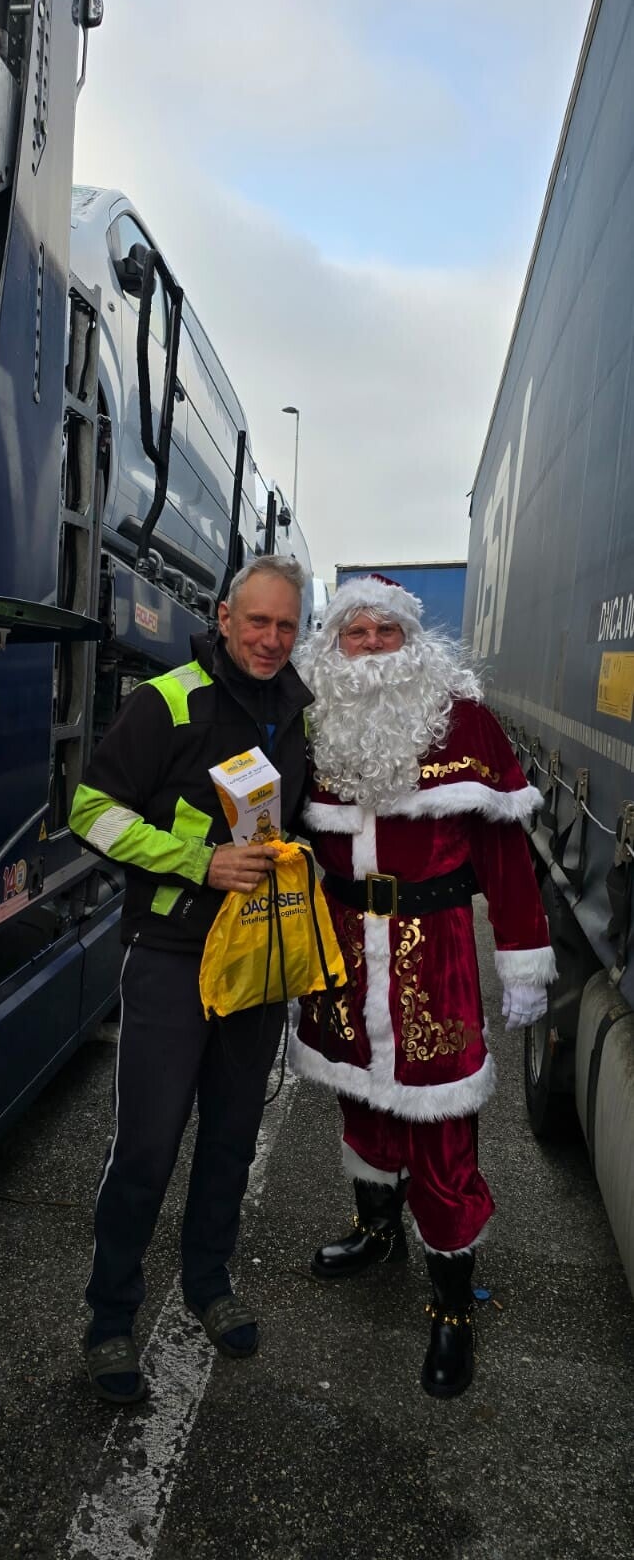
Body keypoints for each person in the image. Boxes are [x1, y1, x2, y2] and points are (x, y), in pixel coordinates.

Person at [290, 574, 554, 1398]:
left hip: (431, 953)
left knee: (440, 1130)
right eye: (355, 632)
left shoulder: (463, 719)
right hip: (342, 949)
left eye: (386, 632)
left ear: (412, 641)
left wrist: (523, 955)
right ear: (334, 644)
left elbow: (505, 857)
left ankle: (450, 1305)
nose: (370, 645)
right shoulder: (312, 718)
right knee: (360, 1103)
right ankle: (376, 1233)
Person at [69, 555, 311, 1403]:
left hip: (256, 958)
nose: (271, 640)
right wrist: (198, 861)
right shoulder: (168, 699)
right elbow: (90, 811)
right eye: (258, 622)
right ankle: (109, 1317)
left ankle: (209, 1281)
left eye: (286, 626)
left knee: (231, 1140)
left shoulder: (301, 712)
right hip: (172, 955)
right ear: (223, 617)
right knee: (145, 1146)